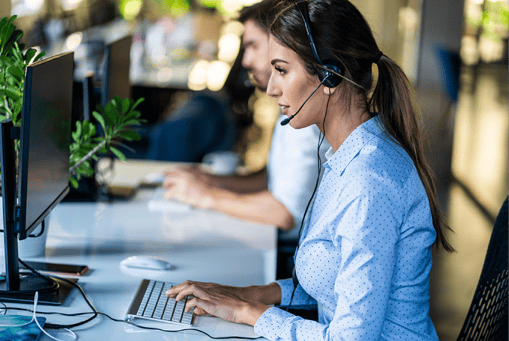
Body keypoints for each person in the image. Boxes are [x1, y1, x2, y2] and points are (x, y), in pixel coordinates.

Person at [165, 0, 454, 340]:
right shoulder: (344, 156)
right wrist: (244, 295)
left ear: (330, 75)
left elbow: (351, 337)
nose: (272, 88)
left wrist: (248, 313)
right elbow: (336, 287)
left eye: (282, 70)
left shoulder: (368, 180)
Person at [163, 0, 330, 278]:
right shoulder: (291, 108)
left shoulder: (304, 117)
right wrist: (211, 182)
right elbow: (274, 180)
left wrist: (207, 196)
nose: (245, 61)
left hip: (291, 264)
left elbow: (284, 212)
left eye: (252, 45)